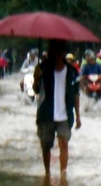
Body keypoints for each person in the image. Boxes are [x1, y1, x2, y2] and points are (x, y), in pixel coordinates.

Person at [33, 42, 81, 177]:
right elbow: (36, 90)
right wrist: (36, 77)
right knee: (46, 145)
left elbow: (76, 94)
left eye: (60, 53)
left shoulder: (72, 72)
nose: (57, 56)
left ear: (64, 54)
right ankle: (47, 172)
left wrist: (78, 116)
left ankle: (63, 174)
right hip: (46, 114)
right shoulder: (43, 68)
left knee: (64, 143)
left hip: (65, 115)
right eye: (54, 52)